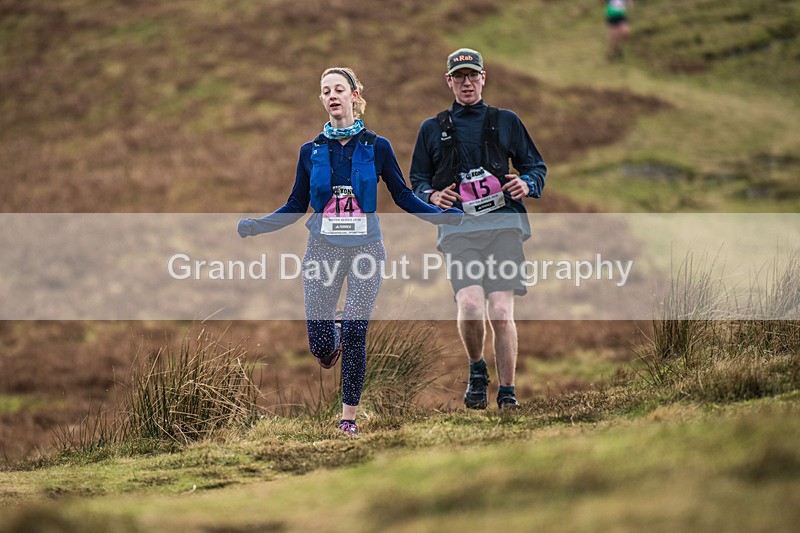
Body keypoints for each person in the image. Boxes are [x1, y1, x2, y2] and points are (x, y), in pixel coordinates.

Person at [238, 67, 462, 435]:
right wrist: (254, 226)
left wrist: (442, 217)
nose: (332, 95)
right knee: (322, 349)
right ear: (322, 100)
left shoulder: (378, 146)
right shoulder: (310, 152)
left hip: (366, 250)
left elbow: (403, 196)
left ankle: (348, 419)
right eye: (325, 90)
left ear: (355, 95)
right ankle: (333, 335)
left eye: (339, 89)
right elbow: (295, 206)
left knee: (357, 331)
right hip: (322, 251)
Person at [410, 48, 547, 410]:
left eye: (473, 75)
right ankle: (476, 370)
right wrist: (431, 195)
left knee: (501, 310)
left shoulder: (507, 121)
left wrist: (526, 184)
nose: (467, 82)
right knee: (470, 303)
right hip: (458, 230)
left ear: (484, 78)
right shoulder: (432, 128)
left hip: (504, 226)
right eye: (459, 77)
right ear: (449, 81)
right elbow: (417, 181)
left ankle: (507, 393)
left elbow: (536, 167)